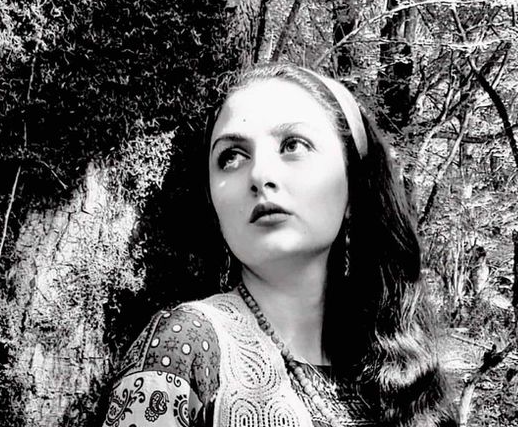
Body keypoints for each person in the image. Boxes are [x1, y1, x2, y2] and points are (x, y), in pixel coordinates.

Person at [101, 63, 458, 427]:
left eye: (293, 145)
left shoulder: (401, 369)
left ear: (354, 185)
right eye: (231, 157)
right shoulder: (186, 343)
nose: (260, 175)